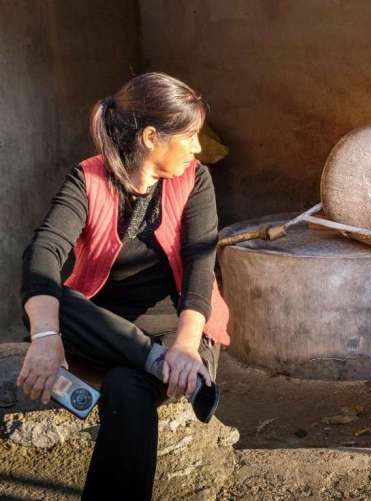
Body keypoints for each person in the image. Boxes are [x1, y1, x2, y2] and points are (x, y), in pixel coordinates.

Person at [17, 72, 230, 500]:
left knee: (125, 391)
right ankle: (153, 359)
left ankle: (154, 360)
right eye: (188, 136)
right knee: (56, 300)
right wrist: (44, 337)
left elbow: (200, 265)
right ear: (152, 136)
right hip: (105, 327)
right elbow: (43, 251)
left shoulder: (196, 179)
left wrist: (186, 348)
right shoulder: (88, 178)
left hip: (179, 327)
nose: (197, 147)